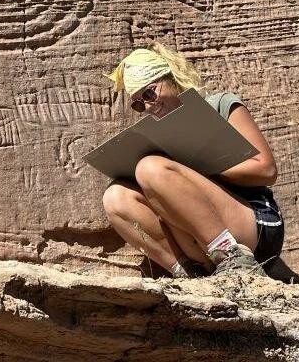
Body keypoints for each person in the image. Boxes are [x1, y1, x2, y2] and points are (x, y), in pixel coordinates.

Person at [102, 43, 284, 279]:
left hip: (256, 226)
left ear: (172, 79)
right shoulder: (158, 136)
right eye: (138, 103)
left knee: (150, 168)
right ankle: (189, 273)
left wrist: (197, 168)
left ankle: (234, 257)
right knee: (116, 197)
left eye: (149, 93)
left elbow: (266, 170)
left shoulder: (220, 105)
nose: (147, 106)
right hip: (197, 241)